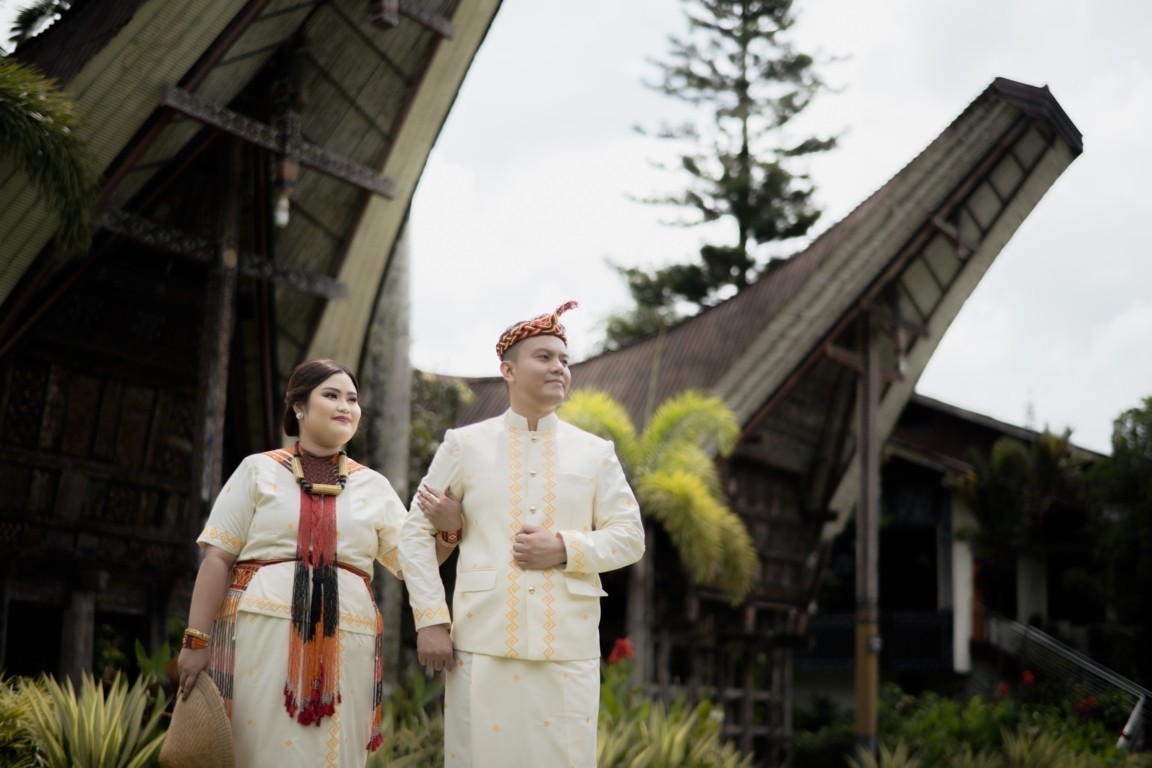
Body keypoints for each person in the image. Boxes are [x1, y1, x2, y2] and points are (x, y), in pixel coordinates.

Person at [176, 359, 458, 767]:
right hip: (258, 636)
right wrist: (196, 640)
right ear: (299, 406)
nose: (345, 406)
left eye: (352, 399)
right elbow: (218, 557)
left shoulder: (375, 486)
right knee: (257, 747)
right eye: (331, 395)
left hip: (350, 641)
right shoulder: (257, 470)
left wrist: (448, 531)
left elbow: (413, 563)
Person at [399, 300, 645, 768]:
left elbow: (630, 536)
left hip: (567, 645)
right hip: (482, 639)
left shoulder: (595, 453)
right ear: (508, 371)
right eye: (544, 357)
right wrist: (430, 618)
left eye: (564, 360)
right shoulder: (463, 445)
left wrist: (565, 548)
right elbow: (414, 534)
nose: (559, 368)